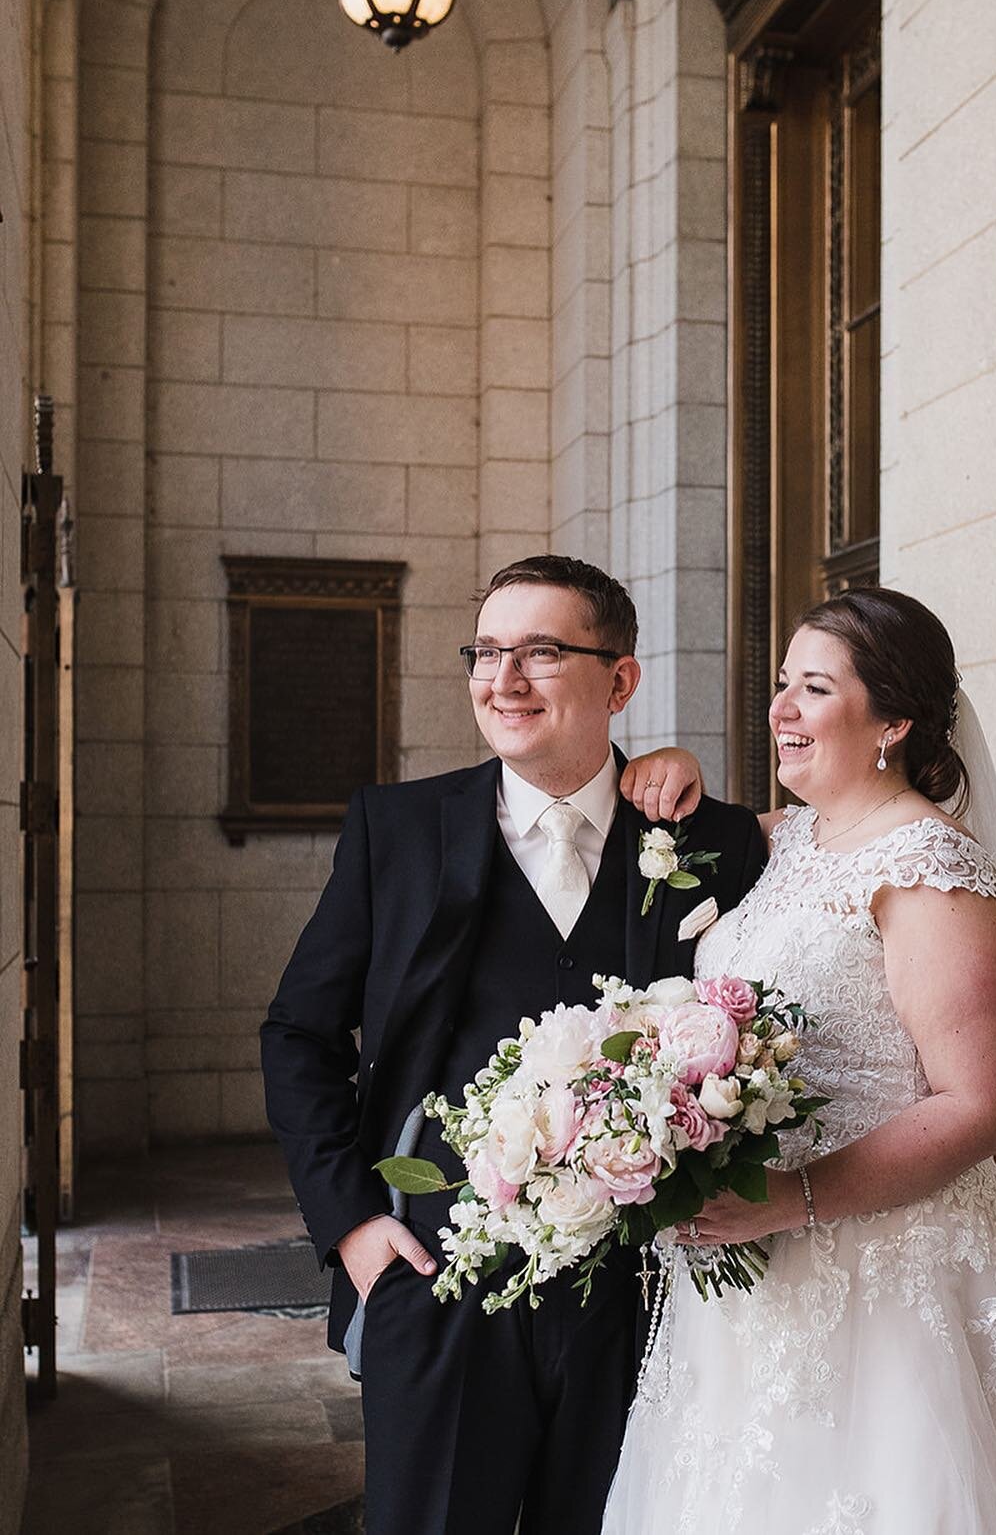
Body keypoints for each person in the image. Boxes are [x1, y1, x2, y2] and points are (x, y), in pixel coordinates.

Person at [604, 586, 996, 1535]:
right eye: (781, 685)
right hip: (749, 1267)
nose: (778, 709)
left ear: (892, 720)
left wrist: (795, 1197)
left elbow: (981, 1105)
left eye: (812, 688)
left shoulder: (930, 869)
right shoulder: (784, 839)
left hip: (885, 1274)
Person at [259, 554, 767, 1535]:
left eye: (540, 652)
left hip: (651, 1301)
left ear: (620, 680)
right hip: (438, 1278)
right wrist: (356, 1228)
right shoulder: (397, 829)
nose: (503, 680)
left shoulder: (716, 843)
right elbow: (298, 1035)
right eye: (486, 653)